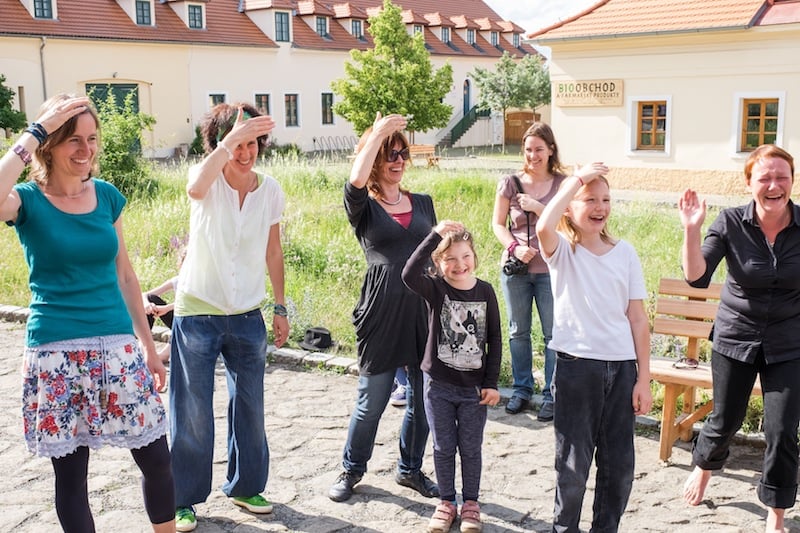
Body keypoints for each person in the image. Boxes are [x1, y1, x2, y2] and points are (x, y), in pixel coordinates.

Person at [0, 94, 175, 532]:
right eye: (72, 140)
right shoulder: (25, 201)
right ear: (48, 145)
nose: (86, 150)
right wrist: (33, 131)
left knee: (157, 459)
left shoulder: (107, 196)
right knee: (72, 480)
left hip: (118, 348)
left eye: (92, 139)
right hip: (56, 353)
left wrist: (149, 349)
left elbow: (127, 277)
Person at [169, 102, 289, 532]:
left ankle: (245, 485)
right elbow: (195, 188)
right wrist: (227, 141)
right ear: (221, 143)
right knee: (192, 411)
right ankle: (182, 499)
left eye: (252, 142)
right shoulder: (206, 178)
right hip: (198, 309)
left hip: (246, 313)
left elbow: (273, 250)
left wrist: (279, 305)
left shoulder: (271, 189)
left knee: (251, 407)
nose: (245, 152)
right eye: (238, 143)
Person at [680, 144, 800, 533]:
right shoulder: (731, 222)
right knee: (725, 420)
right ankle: (704, 465)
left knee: (782, 431)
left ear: (792, 182)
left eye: (782, 177)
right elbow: (697, 276)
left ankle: (776, 512)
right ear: (749, 182)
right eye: (764, 177)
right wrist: (692, 230)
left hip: (789, 343)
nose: (773, 185)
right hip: (736, 336)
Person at [329, 112, 439, 503]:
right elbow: (355, 181)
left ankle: (409, 470)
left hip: (425, 311)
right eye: (388, 153)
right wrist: (377, 132)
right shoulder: (363, 206)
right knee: (371, 401)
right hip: (381, 311)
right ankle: (351, 469)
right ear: (374, 158)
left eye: (402, 153)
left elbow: (436, 256)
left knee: (425, 402)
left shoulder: (424, 203)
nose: (397, 160)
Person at [536, 164, 652, 533]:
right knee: (572, 467)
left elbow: (637, 318)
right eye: (590, 199)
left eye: (606, 199)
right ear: (570, 205)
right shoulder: (562, 252)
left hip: (622, 371)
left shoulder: (626, 253)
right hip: (575, 369)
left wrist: (644, 379)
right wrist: (576, 180)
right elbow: (542, 226)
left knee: (618, 469)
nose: (600, 207)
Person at [402, 221, 502, 533]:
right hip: (438, 387)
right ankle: (446, 502)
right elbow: (408, 274)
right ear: (438, 263)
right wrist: (434, 233)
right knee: (443, 447)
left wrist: (491, 383)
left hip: (474, 391)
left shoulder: (486, 291)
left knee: (470, 448)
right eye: (450, 259)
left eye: (465, 256)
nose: (460, 265)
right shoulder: (436, 289)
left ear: (475, 257)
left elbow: (496, 339)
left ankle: (470, 503)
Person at [491, 122, 566, 421]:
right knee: (517, 332)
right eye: (528, 150)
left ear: (550, 150)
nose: (533, 155)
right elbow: (497, 224)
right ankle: (522, 389)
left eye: (539, 149)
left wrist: (537, 207)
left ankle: (551, 393)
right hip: (516, 270)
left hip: (551, 270)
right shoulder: (509, 183)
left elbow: (569, 224)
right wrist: (513, 247)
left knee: (552, 335)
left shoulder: (563, 184)